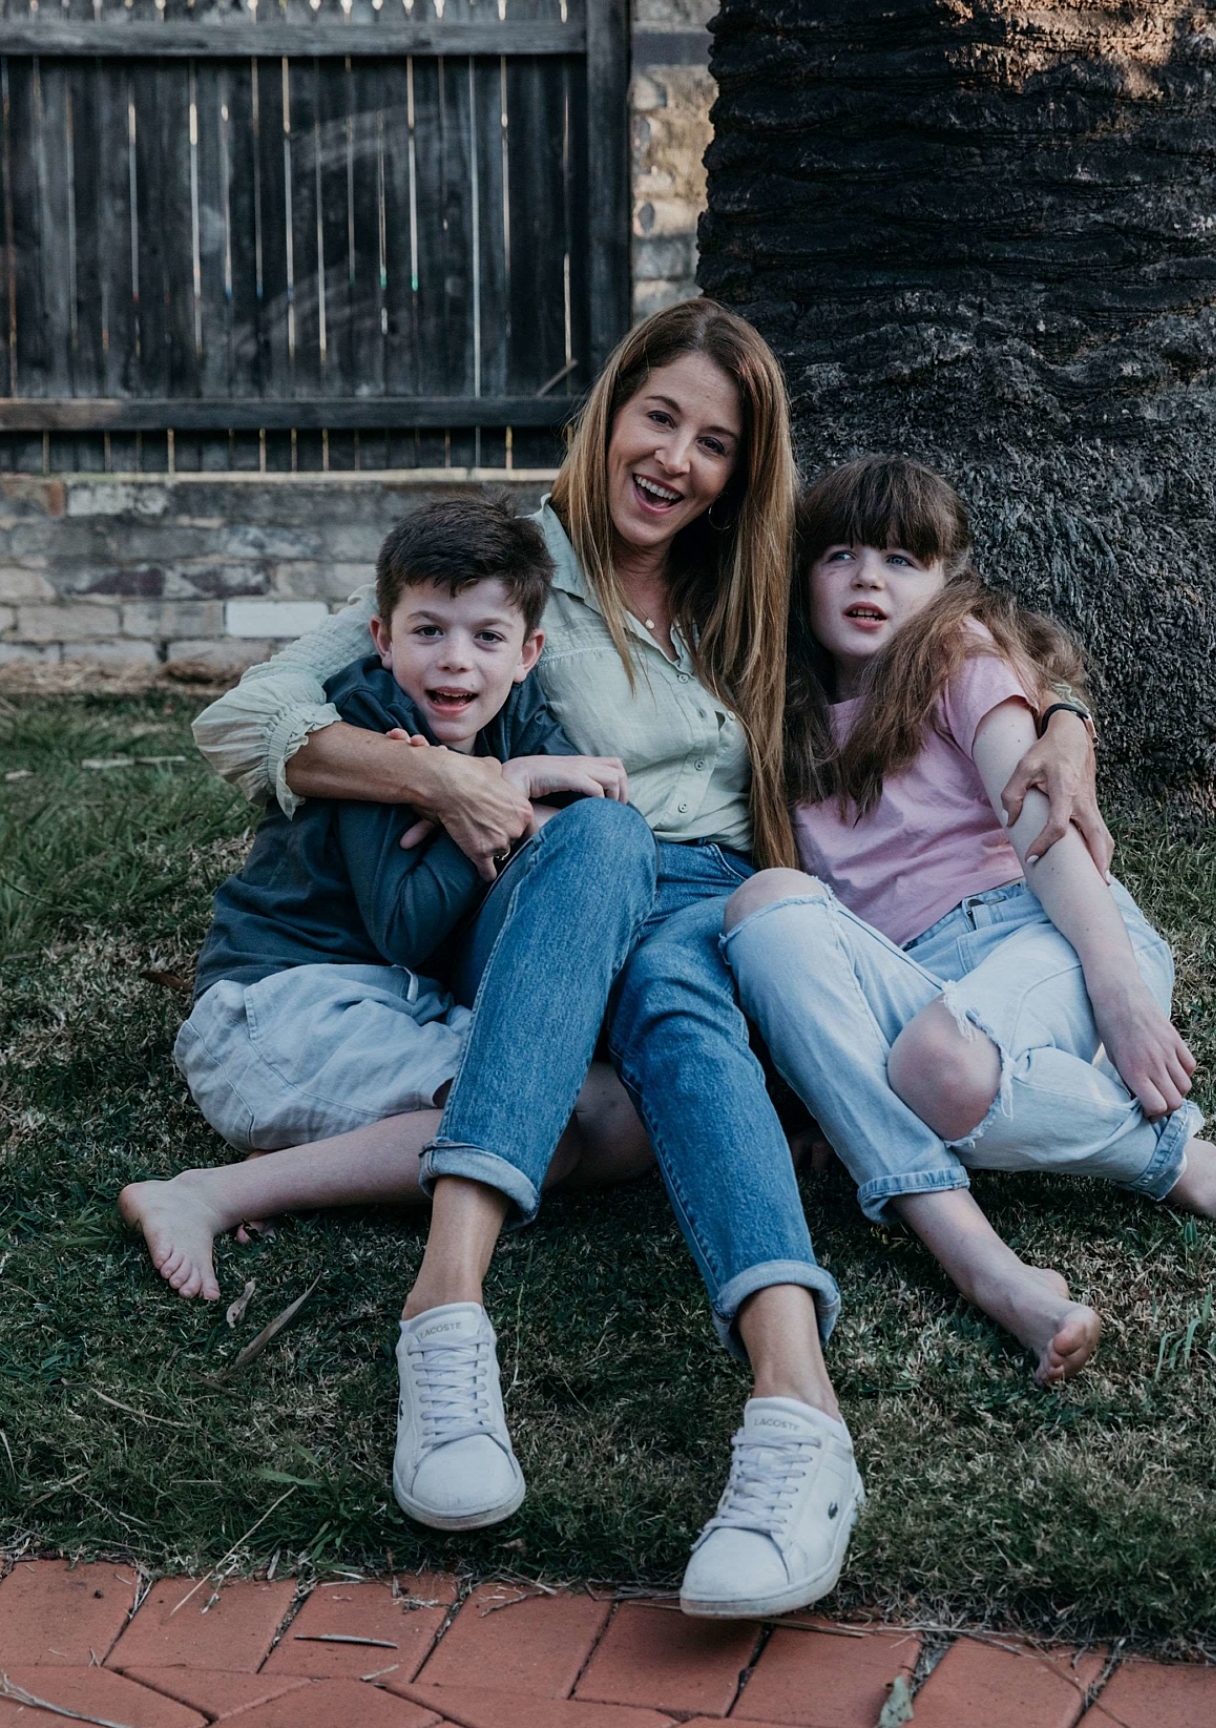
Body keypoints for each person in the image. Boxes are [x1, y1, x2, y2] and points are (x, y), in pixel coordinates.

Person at [183, 301, 1105, 1614]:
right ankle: (446, 1319)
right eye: (658, 416)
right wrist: (451, 776)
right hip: (550, 887)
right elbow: (248, 716)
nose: (675, 458)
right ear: (612, 409)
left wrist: (1060, 715)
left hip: (714, 901)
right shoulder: (516, 561)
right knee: (607, 837)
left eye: (714, 440)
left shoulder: (756, 580)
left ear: (744, 465)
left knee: (686, 980)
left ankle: (798, 1421)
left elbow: (955, 619)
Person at [721, 456, 1216, 1384]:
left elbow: (1044, 827)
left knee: (934, 1063)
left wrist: (1118, 988)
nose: (867, 580)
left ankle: (1188, 1164)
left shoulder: (957, 659)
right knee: (763, 903)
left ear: (943, 581)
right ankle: (1043, 1137)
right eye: (839, 554)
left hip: (1035, 931)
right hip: (914, 980)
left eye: (899, 559)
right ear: (800, 576)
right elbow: (810, 957)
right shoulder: (785, 718)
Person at [121, 493, 654, 1317]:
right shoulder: (375, 718)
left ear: (528, 651)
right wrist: (500, 790)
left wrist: (519, 788)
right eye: (428, 630)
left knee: (620, 1117)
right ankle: (212, 1192)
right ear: (382, 637)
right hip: (281, 1006)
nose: (455, 663)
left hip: (402, 1008)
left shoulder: (518, 716)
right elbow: (405, 924)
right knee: (526, 1137)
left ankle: (343, 1143)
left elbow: (579, 816)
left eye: (487, 637)